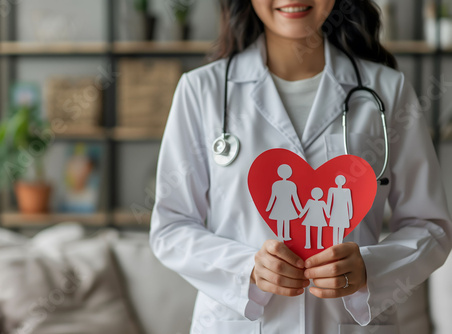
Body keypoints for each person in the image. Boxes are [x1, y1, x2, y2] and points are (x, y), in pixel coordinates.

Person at [149, 0, 452, 333]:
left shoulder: (387, 90)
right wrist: (245, 269)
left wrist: (371, 268)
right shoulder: (201, 91)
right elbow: (171, 227)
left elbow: (430, 226)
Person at [265, 164, 302, 242]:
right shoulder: (291, 184)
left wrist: (269, 207)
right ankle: (285, 235)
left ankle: (283, 235)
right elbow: (295, 198)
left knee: (281, 220)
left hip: (281, 204)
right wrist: (300, 209)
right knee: (286, 220)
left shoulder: (277, 184)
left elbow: (273, 197)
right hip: (286, 204)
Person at [327, 175, 353, 245]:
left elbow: (349, 202)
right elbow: (329, 202)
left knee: (341, 228)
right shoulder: (332, 190)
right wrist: (327, 212)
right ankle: (335, 244)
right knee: (335, 228)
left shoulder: (347, 190)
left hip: (344, 211)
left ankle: (339, 244)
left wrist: (350, 214)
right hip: (335, 211)